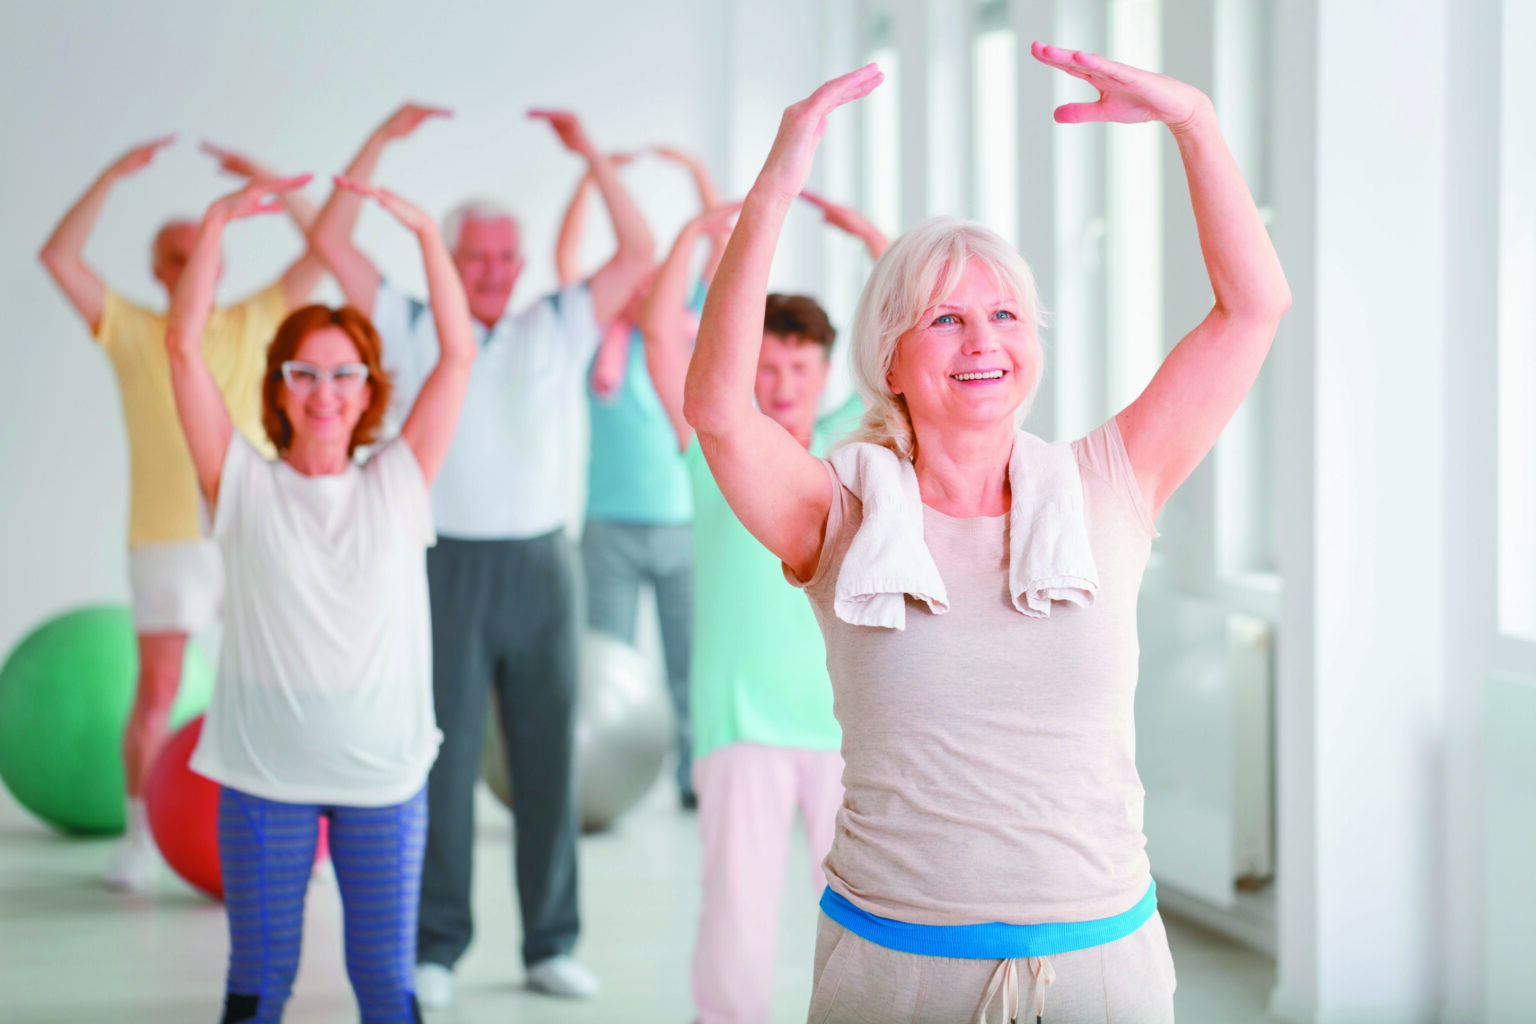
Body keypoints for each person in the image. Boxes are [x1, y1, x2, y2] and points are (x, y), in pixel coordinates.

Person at [684, 44, 1290, 1024]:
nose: (984, 342)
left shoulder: (1110, 481)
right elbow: (718, 409)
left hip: (1102, 967)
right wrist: (776, 185)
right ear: (889, 353)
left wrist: (1197, 124)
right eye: (949, 319)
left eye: (1006, 314)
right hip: (894, 970)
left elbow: (1254, 308)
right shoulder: (837, 510)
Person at [308, 105, 655, 1005]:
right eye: (478, 259)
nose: (495, 274)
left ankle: (551, 941)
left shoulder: (558, 323)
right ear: (450, 260)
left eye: (507, 258)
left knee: (549, 763)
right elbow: (331, 239)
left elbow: (637, 254)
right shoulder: (409, 318)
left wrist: (590, 154)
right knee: (444, 763)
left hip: (544, 567)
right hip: (443, 568)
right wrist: (378, 141)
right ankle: (437, 945)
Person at [163, 171, 473, 1024]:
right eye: (305, 373)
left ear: (370, 389)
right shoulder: (239, 484)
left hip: (382, 771)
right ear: (279, 387)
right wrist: (219, 221)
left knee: (384, 985)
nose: (325, 392)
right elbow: (183, 349)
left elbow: (458, 353)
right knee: (260, 985)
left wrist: (425, 238)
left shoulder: (401, 481)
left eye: (344, 375)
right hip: (265, 772)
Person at [37, 135, 327, 892]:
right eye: (176, 251)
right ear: (160, 271)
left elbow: (326, 248)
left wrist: (265, 180)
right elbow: (60, 259)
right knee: (160, 690)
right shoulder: (134, 331)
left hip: (256, 530)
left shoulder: (261, 315)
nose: (192, 258)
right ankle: (139, 837)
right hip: (168, 540)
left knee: (283, 680)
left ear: (220, 260)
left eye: (204, 247)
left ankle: (304, 835)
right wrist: (106, 173)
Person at [642, 195, 883, 1024]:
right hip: (740, 718)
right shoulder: (716, 442)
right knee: (736, 911)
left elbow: (908, 346)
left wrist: (875, 245)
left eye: (799, 371)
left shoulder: (856, 444)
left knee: (863, 917)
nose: (781, 387)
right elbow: (662, 338)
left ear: (824, 374)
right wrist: (687, 238)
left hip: (846, 722)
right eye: (766, 371)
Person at [556, 146, 728, 810]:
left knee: (689, 662)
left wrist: (695, 171)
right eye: (629, 282)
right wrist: (587, 178)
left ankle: (692, 778)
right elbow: (568, 261)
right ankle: (604, 778)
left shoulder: (683, 331)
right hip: (609, 526)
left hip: (685, 524)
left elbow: (720, 244)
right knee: (605, 662)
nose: (638, 290)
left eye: (650, 282)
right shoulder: (592, 341)